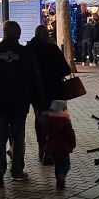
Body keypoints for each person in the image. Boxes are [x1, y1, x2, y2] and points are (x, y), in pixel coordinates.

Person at [0, 21, 41, 187]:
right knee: (18, 137)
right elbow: (34, 79)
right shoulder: (26, 53)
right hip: (20, 102)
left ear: (4, 33)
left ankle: (0, 168)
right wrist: (38, 101)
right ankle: (17, 170)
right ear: (18, 34)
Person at [27, 24, 71, 166]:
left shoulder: (29, 50)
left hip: (36, 91)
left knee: (40, 117)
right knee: (54, 120)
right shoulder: (53, 49)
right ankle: (48, 150)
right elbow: (66, 70)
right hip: (54, 90)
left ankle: (41, 145)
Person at [41, 100, 76, 190]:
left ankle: (58, 180)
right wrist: (73, 143)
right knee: (65, 164)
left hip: (52, 148)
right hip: (63, 148)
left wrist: (45, 145)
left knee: (57, 164)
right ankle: (61, 177)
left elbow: (45, 133)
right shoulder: (65, 121)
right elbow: (70, 134)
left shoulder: (49, 120)